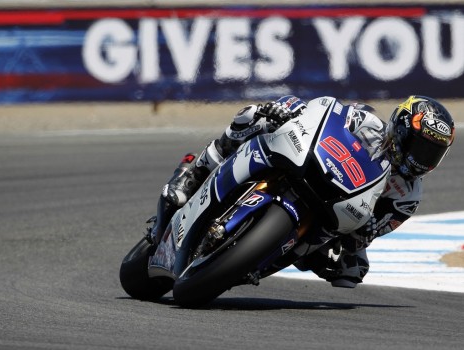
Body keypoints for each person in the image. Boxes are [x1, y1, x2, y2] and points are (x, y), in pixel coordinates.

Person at [152, 95, 455, 288]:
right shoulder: (366, 121)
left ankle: (255, 260)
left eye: (433, 154)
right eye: (421, 147)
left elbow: (374, 231)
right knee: (256, 115)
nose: (422, 159)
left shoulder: (408, 195)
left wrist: (364, 233)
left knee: (352, 271)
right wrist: (291, 110)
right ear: (400, 130)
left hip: (339, 214)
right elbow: (323, 115)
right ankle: (199, 168)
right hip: (312, 163)